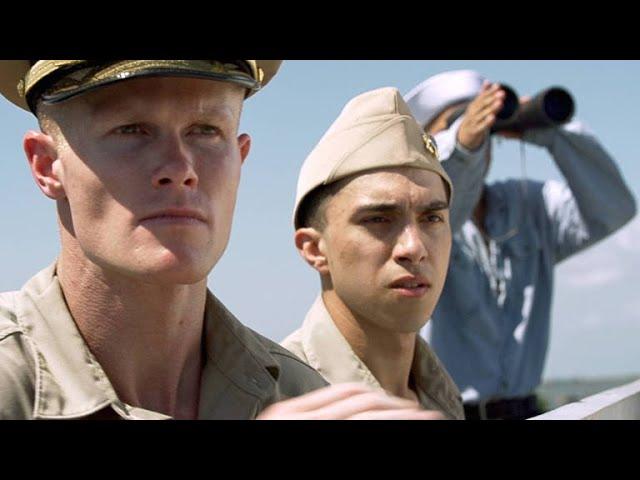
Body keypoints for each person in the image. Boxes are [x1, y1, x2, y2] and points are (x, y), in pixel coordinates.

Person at [0, 60, 441, 420]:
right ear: (46, 165)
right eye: (131, 129)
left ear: (240, 157)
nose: (180, 166)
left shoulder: (297, 392)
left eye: (206, 130)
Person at [404, 69, 637, 419]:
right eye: (455, 126)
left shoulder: (529, 207)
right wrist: (461, 149)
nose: (479, 135)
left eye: (487, 125)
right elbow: (442, 212)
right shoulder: (415, 228)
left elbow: (613, 210)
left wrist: (555, 135)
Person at [281, 87, 464, 420]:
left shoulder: (439, 394)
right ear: (314, 249)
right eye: (378, 219)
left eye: (432, 218)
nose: (415, 248)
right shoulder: (271, 400)